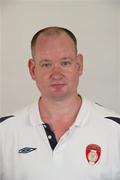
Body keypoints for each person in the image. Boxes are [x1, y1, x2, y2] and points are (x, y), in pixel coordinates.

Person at [0, 26, 120, 180]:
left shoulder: (115, 131)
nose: (56, 74)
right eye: (46, 64)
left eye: (65, 63)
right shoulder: (4, 132)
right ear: (32, 69)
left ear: (79, 65)